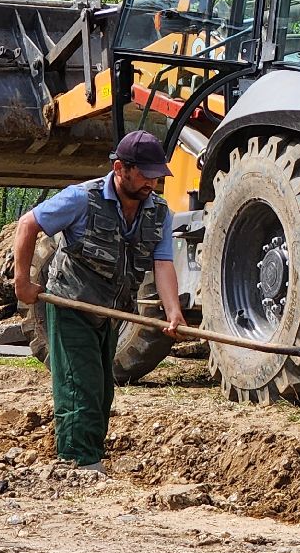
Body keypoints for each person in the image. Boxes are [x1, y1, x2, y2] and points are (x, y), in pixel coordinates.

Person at [12, 130, 186, 471]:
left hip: (110, 312)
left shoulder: (159, 212)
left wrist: (173, 311)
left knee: (103, 390)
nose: (152, 183)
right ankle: (79, 465)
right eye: (146, 175)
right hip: (71, 306)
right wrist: (22, 283)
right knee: (80, 387)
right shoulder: (81, 199)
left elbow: (162, 263)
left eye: (157, 176)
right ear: (120, 168)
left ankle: (87, 458)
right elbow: (27, 224)